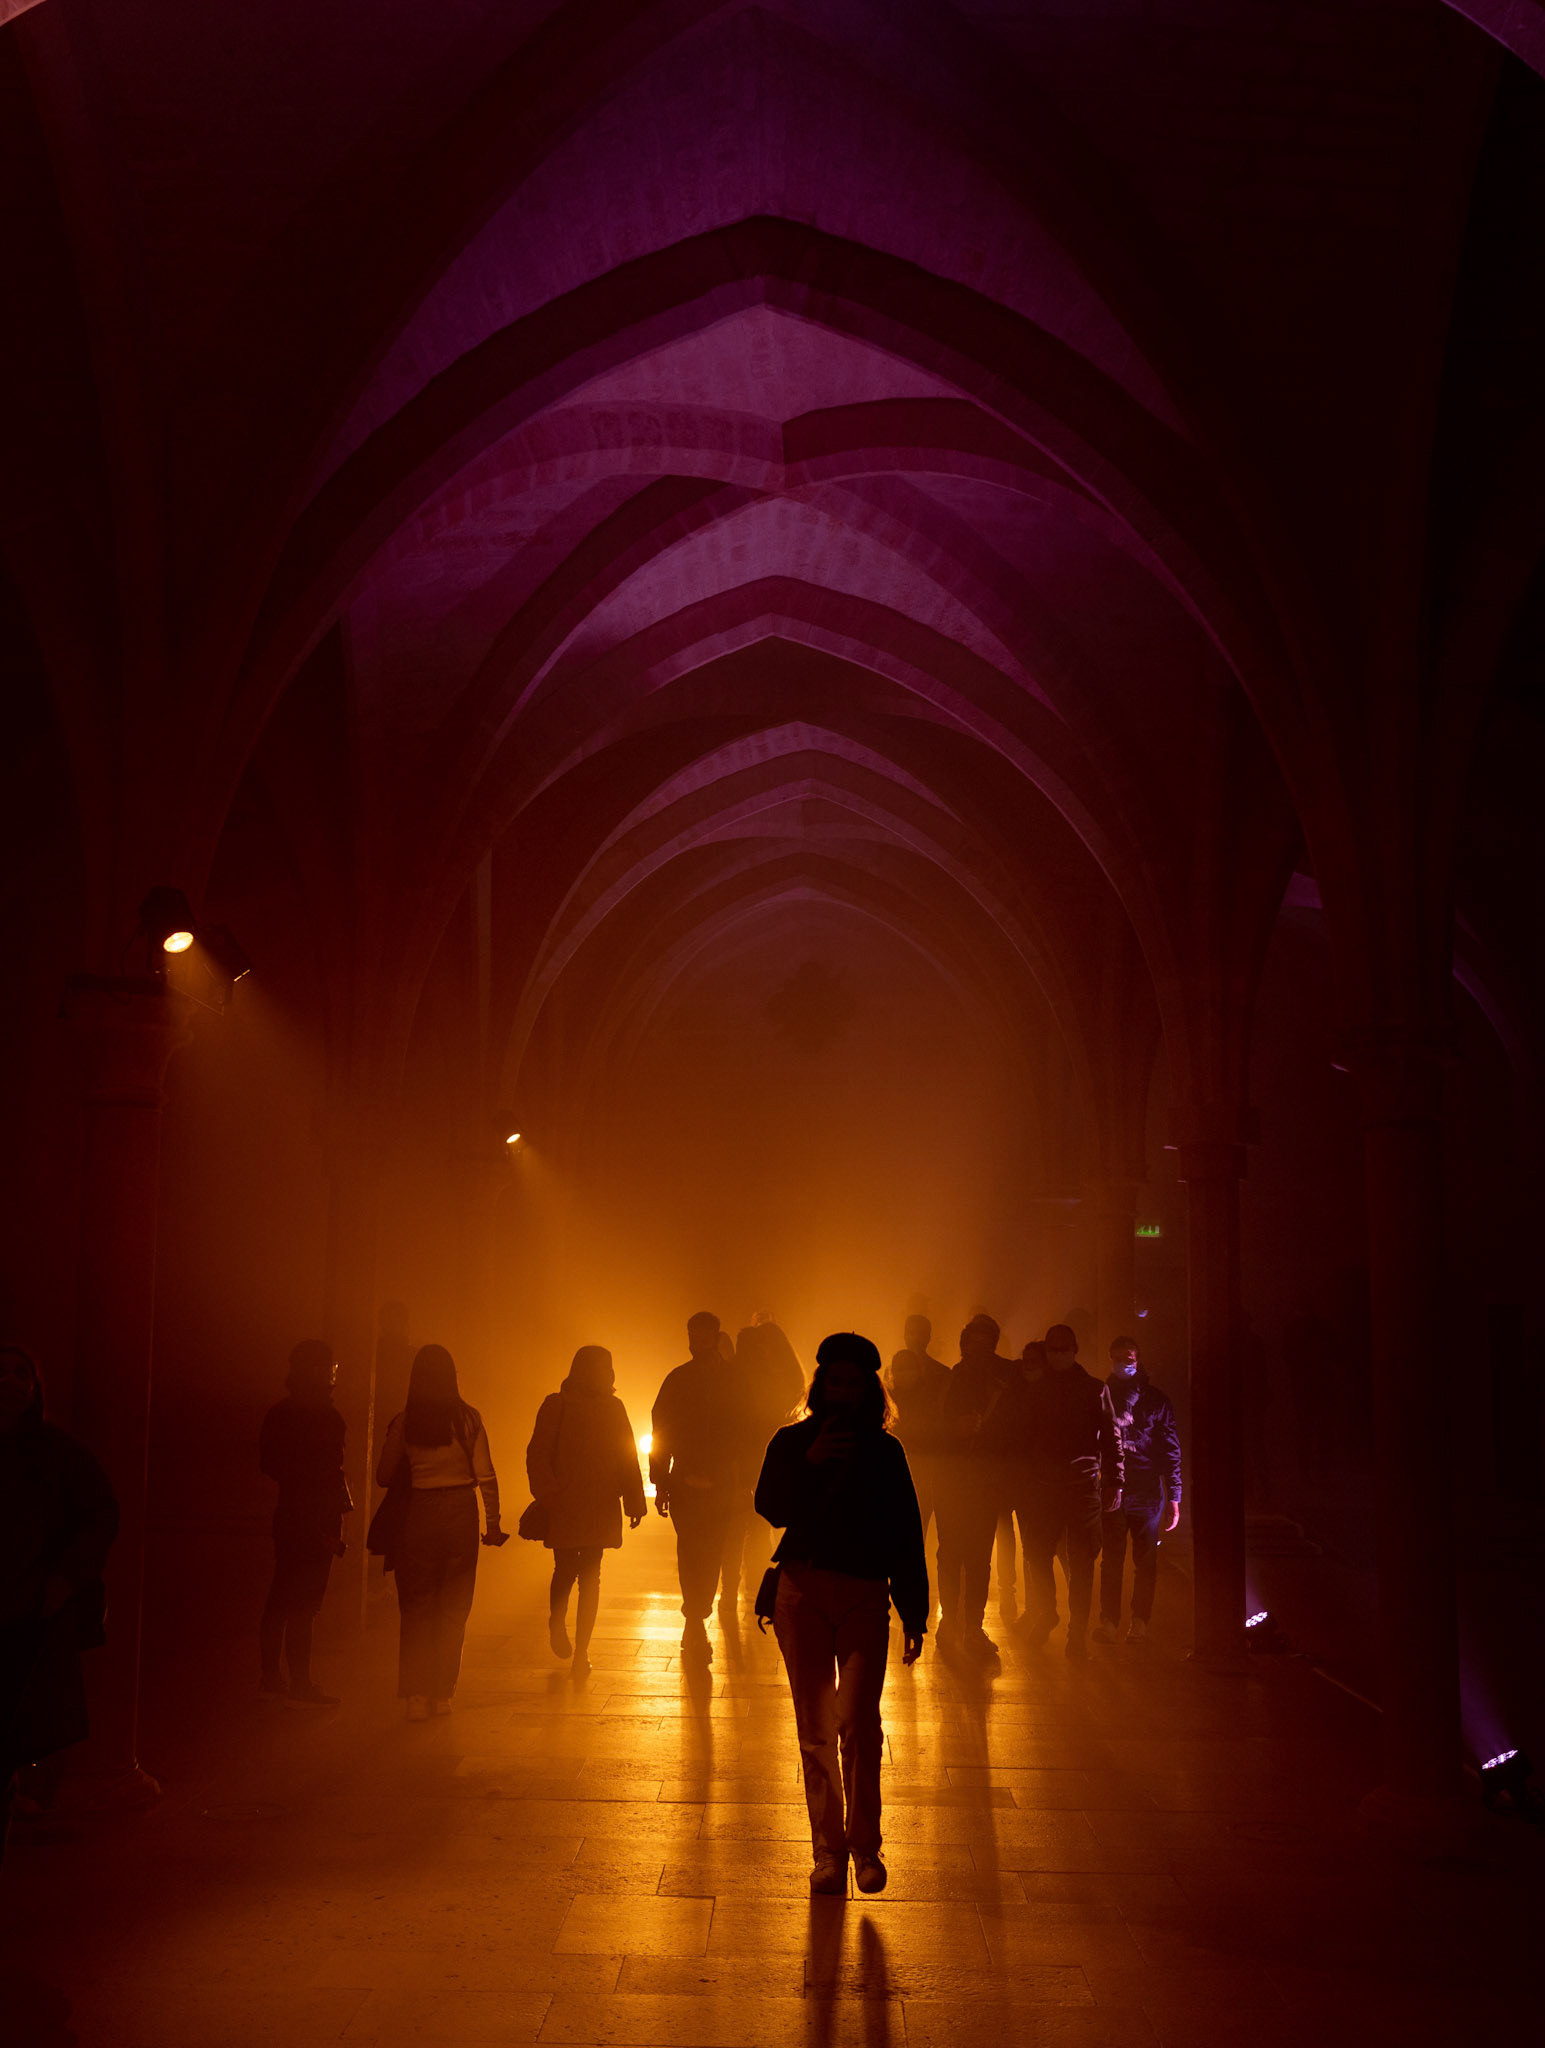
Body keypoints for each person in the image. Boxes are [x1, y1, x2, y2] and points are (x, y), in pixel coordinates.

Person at [754, 1331, 927, 1898]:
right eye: (836, 1381)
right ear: (821, 1385)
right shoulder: (792, 1441)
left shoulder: (885, 1452)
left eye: (855, 1383)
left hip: (862, 1594)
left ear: (870, 1390)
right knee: (815, 1729)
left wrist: (915, 1610)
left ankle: (864, 1846)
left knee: (859, 1721)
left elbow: (906, 1532)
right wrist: (809, 1461)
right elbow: (770, 1508)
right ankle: (827, 1852)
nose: (845, 1392)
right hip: (801, 1590)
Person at [0, 1347, 118, 1858]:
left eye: (21, 1373)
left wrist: (66, 1577)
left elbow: (100, 1513)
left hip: (27, 1610)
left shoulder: (56, 1452)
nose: (11, 1382)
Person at [376, 1345, 505, 1720]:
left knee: (416, 1606)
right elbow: (486, 1475)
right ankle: (442, 1693)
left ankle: (415, 1696)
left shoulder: (406, 1421)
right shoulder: (469, 1420)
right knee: (453, 1608)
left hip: (419, 1513)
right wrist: (493, 1523)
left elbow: (384, 1475)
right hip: (460, 1514)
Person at [526, 1346, 647, 1675]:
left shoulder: (609, 1407)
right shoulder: (558, 1405)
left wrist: (635, 1501)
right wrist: (549, 1494)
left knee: (587, 1577)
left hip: (593, 1506)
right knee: (569, 1572)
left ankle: (581, 1651)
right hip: (572, 1506)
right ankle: (560, 1626)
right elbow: (539, 1453)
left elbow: (626, 1457)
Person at [1011, 1325, 1122, 1660]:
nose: (1059, 1355)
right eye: (1054, 1350)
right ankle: (1063, 1623)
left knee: (1074, 1559)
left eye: (1063, 1349)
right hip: (1059, 1486)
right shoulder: (1084, 1389)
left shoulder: (1090, 1389)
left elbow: (1110, 1437)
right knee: (1042, 1555)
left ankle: (1070, 1627)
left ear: (1073, 1349)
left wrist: (1114, 1480)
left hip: (1075, 1486)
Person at [650, 1312, 748, 1662]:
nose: (695, 1342)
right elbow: (661, 1431)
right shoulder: (687, 1380)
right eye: (692, 1335)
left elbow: (746, 1434)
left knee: (704, 1554)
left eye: (701, 1336)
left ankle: (695, 1619)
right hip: (694, 1480)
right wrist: (661, 1480)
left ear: (713, 1337)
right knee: (696, 1554)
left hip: (716, 1480)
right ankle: (695, 1620)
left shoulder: (704, 1380)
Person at [258, 1339, 350, 1706]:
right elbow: (333, 1472)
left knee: (280, 1597)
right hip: (320, 1516)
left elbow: (268, 1463)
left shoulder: (279, 1413)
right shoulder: (330, 1418)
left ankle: (271, 1675)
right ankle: (300, 1681)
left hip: (290, 1512)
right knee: (306, 1603)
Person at [933, 1314, 1014, 1662]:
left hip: (982, 1485)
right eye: (974, 1345)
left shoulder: (1002, 1384)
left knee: (977, 1559)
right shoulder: (946, 1382)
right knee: (951, 1555)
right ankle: (952, 1622)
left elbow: (1014, 1434)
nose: (979, 1351)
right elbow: (929, 1428)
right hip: (954, 1483)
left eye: (986, 1345)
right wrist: (956, 1430)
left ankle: (969, 1625)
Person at [1093, 1337, 1181, 1645]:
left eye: (1127, 1357)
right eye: (1117, 1358)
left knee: (1145, 1562)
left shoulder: (1156, 1401)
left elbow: (1171, 1451)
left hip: (1145, 1493)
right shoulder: (1101, 1397)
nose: (1123, 1363)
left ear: (1138, 1359)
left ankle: (1139, 1620)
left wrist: (1174, 1497)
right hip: (1114, 1491)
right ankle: (1109, 1621)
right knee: (1113, 1561)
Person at [727, 1313, 807, 1603]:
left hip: (750, 1454)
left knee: (746, 1524)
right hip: (768, 1454)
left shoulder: (745, 1374)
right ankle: (753, 1583)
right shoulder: (786, 1376)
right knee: (758, 1523)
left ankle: (740, 1584)